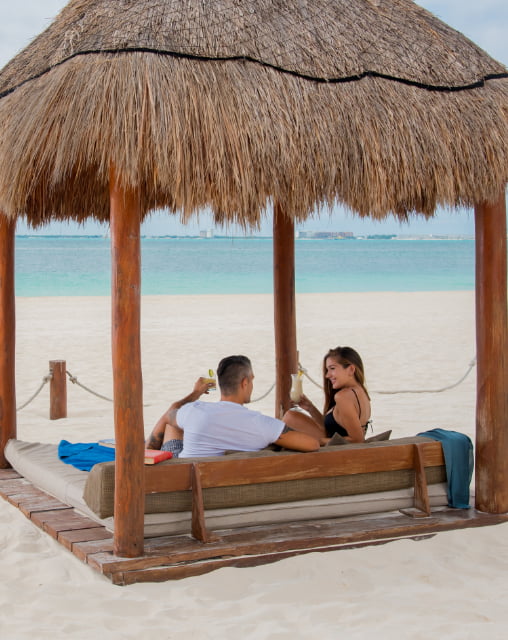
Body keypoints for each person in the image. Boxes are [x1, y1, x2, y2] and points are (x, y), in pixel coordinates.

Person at [146, 355, 320, 457]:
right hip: (219, 481)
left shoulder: (194, 411)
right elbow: (312, 444)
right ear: (245, 383)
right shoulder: (261, 424)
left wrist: (195, 393)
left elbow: (169, 415)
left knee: (174, 424)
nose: (252, 384)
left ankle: (144, 455)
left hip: (183, 477)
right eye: (252, 380)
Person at [284, 346, 371, 444]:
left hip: (338, 452)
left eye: (332, 368)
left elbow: (358, 440)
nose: (327, 375)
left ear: (351, 369)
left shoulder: (343, 396)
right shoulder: (361, 392)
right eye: (327, 370)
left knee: (289, 417)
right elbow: (333, 430)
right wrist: (310, 408)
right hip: (337, 447)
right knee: (291, 417)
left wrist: (317, 441)